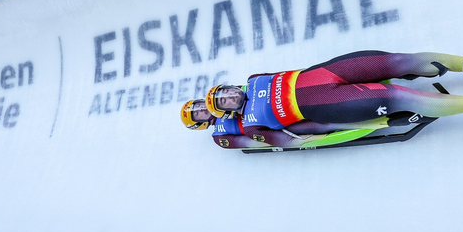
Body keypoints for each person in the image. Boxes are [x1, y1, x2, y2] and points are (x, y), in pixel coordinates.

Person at [204, 51, 463, 134]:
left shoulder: (255, 79)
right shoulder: (249, 124)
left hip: (325, 72)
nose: (229, 98)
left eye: (224, 92)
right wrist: (358, 128)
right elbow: (296, 136)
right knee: (398, 97)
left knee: (400, 60)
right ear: (228, 112)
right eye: (223, 103)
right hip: (325, 105)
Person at [180, 95, 431, 149]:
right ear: (201, 124)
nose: (204, 110)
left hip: (283, 110)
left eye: (201, 107)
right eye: (200, 114)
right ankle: (388, 121)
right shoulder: (221, 135)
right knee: (320, 123)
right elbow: (251, 142)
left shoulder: (224, 100)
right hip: (278, 129)